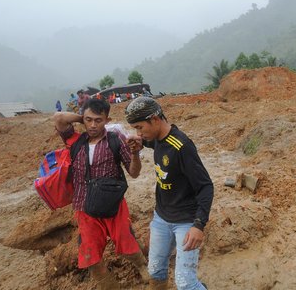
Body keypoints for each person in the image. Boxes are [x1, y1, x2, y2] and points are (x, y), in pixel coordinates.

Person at [54, 98, 149, 289]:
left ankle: (144, 269)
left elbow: (134, 173)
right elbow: (59, 117)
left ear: (107, 120)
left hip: (113, 205)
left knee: (127, 246)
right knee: (91, 258)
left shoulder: (116, 141)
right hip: (85, 207)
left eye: (98, 120)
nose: (92, 125)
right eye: (89, 120)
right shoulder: (75, 141)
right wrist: (83, 118)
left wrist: (135, 154)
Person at [125, 97, 213, 290]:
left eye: (140, 127)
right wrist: (140, 144)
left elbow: (206, 186)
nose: (138, 133)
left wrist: (199, 225)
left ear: (155, 119)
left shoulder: (182, 146)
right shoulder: (157, 139)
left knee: (185, 283)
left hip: (186, 222)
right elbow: (157, 145)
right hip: (161, 219)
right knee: (155, 271)